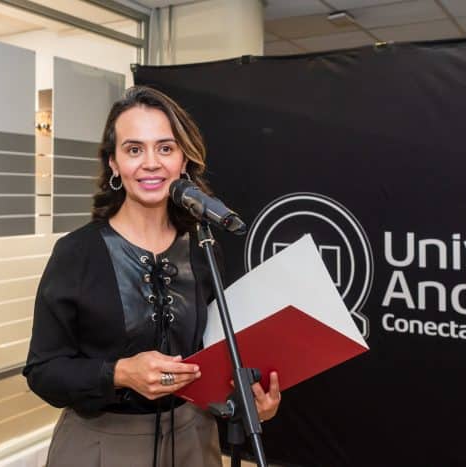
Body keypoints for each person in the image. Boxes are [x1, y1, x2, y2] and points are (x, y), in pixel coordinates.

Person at [22, 86, 280, 467]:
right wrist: (119, 373)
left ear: (183, 160)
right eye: (134, 149)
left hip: (194, 440)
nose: (151, 163)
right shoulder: (77, 253)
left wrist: (247, 400)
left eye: (165, 148)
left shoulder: (203, 248)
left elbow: (215, 356)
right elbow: (43, 370)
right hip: (102, 445)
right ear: (113, 163)